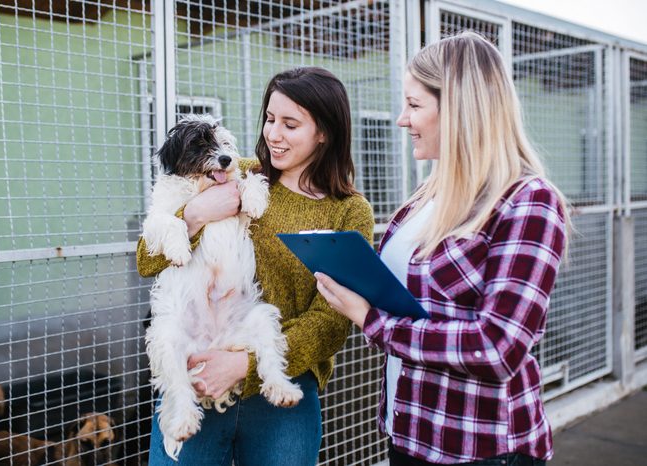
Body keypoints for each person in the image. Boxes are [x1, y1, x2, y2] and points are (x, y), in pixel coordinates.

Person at [315, 32, 569, 466]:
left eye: (414, 105)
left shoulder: (528, 200)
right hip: (409, 434)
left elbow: (496, 347)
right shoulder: (427, 196)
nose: (401, 119)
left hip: (479, 449)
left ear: (459, 109)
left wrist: (370, 319)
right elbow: (411, 296)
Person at [137, 67, 374, 465]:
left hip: (281, 382)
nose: (273, 134)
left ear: (324, 132)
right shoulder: (235, 173)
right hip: (199, 369)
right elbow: (147, 259)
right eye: (269, 118)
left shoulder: (350, 211)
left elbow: (331, 322)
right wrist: (194, 215)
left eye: (290, 124)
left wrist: (244, 366)